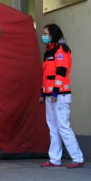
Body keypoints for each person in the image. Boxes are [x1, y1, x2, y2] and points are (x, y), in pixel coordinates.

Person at [38, 23, 84, 169]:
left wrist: (56, 91)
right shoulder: (48, 53)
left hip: (60, 96)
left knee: (63, 126)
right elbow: (46, 76)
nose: (44, 36)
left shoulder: (62, 51)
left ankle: (77, 158)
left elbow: (62, 72)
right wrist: (42, 93)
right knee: (53, 128)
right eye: (43, 34)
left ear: (53, 34)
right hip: (49, 96)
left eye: (46, 34)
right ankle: (54, 159)